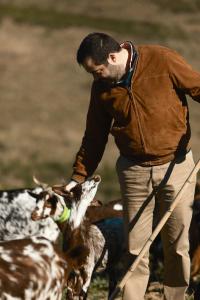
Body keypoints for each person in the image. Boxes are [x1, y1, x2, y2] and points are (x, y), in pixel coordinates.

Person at [66, 32, 200, 300]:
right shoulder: (101, 88)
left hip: (176, 167)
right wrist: (79, 175)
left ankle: (174, 297)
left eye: (98, 70)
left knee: (176, 245)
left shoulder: (162, 60)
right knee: (135, 248)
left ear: (114, 57)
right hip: (133, 172)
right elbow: (94, 135)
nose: (96, 77)